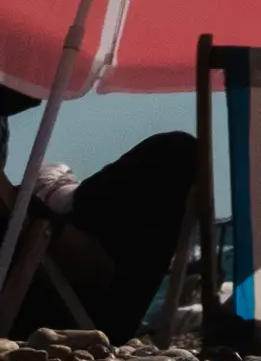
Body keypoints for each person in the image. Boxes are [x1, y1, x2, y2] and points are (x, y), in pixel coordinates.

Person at [2, 87, 202, 340]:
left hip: (65, 283)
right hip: (77, 305)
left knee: (179, 153)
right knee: (177, 154)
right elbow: (95, 265)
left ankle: (61, 198)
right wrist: (42, 218)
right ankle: (62, 198)